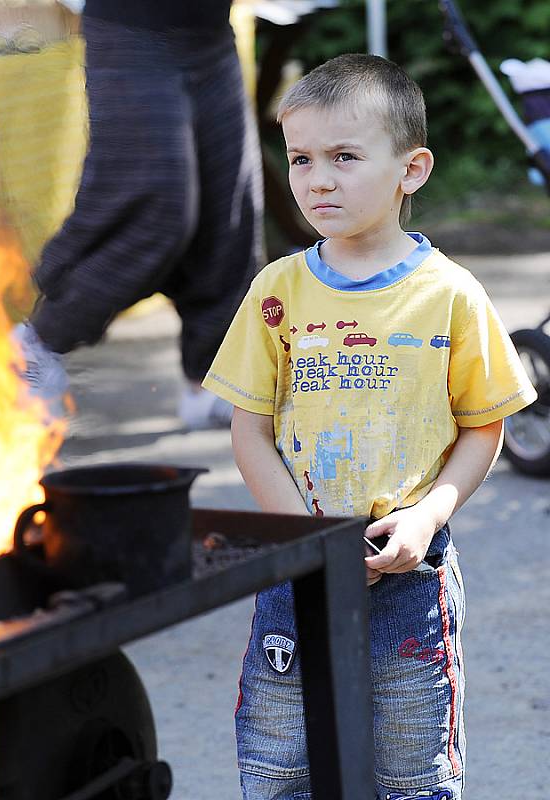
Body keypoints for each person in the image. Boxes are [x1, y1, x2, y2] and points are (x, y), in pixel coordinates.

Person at [202, 54, 537, 799]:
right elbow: (249, 428)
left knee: (412, 776)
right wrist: (305, 544)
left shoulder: (450, 295)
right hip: (295, 573)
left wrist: (427, 515)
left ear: (411, 169)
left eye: (344, 157)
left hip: (408, 573)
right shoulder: (277, 290)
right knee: (279, 767)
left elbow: (483, 431)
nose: (317, 179)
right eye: (300, 158)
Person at [13, 0, 263, 429]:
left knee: (231, 209)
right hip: (132, 30)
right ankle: (38, 342)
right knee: (157, 208)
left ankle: (209, 380)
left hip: (210, 37)